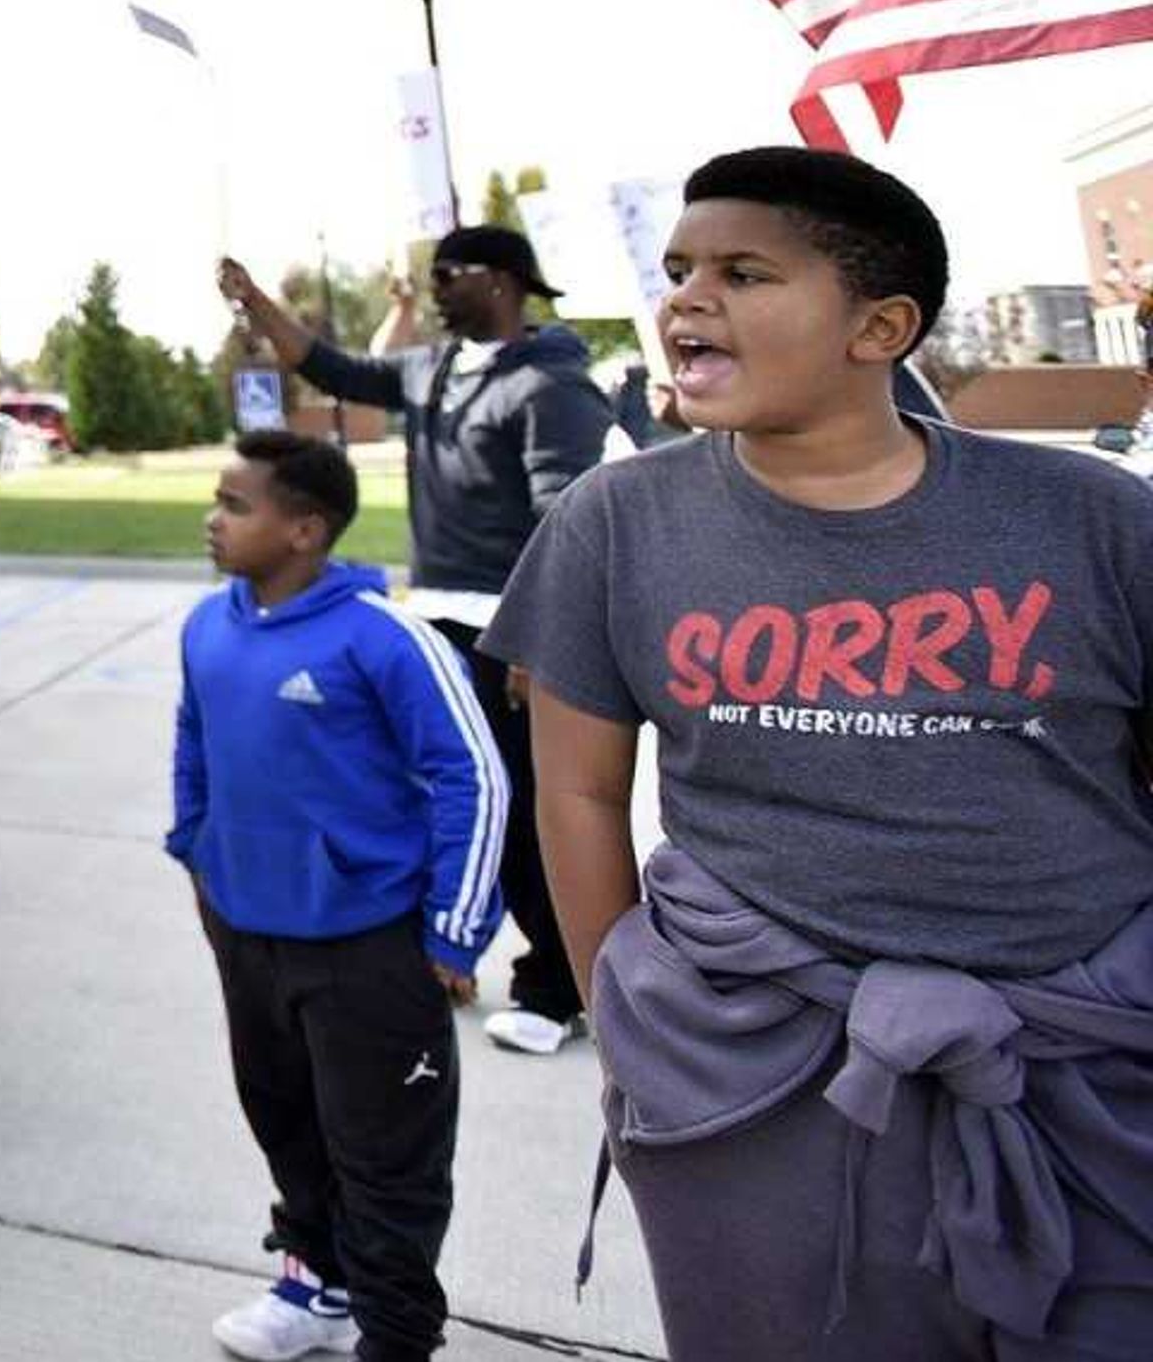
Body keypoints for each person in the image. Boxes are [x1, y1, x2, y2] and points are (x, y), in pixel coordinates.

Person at [484, 147, 1153, 1359]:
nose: (688, 297)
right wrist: (627, 1029)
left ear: (879, 325)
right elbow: (578, 794)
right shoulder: (614, 522)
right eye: (681, 267)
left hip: (1087, 1058)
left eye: (744, 272)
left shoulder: (1095, 516)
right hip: (759, 1066)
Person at [219, 228, 613, 1055]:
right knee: (433, 798)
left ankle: (557, 986)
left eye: (451, 272)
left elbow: (568, 521)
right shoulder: (432, 365)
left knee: (517, 809)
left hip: (505, 627)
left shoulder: (550, 382)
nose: (433, 285)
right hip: (431, 614)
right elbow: (331, 367)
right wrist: (257, 303)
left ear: (505, 281)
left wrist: (538, 639)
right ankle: (453, 941)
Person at [173, 430, 506, 1361]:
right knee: (284, 1119)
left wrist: (455, 928)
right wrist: (195, 850)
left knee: (386, 1156)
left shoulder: (382, 635)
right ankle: (315, 1284)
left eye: (237, 504)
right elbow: (193, 739)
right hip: (246, 931)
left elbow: (473, 773)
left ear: (305, 529)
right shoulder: (209, 625)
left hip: (369, 944)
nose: (215, 517)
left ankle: (396, 1335)